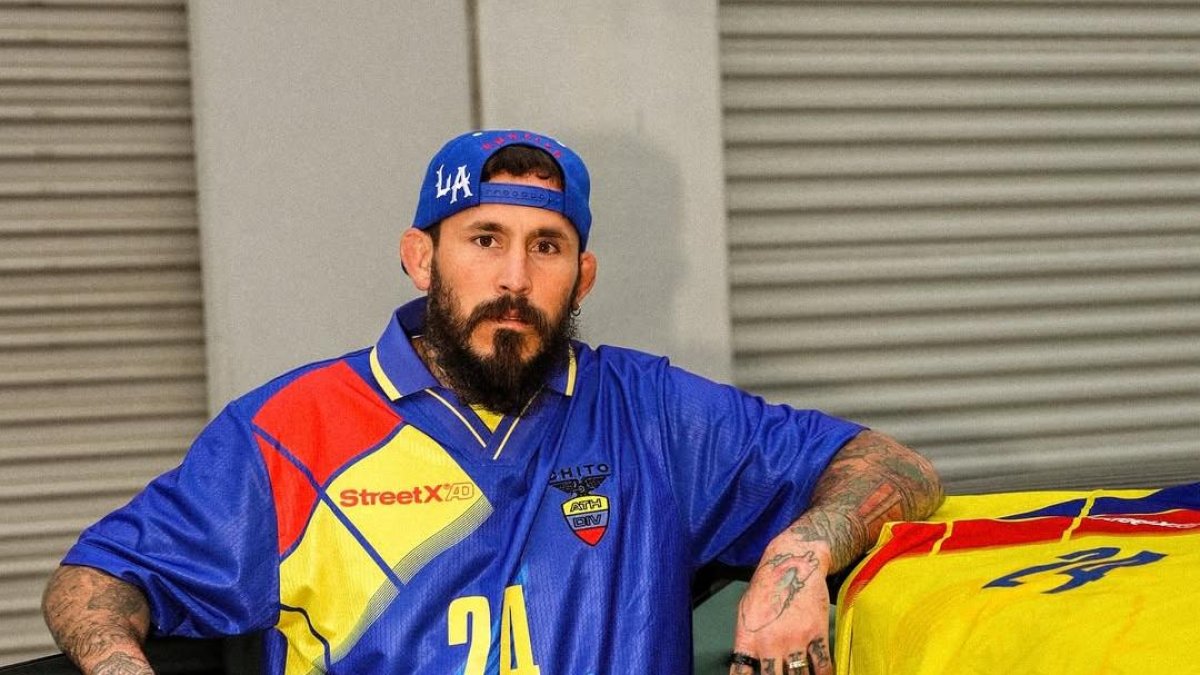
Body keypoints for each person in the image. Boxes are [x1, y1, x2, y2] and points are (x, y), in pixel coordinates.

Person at [42, 128, 942, 675]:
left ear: (581, 274)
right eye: (484, 238)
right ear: (421, 258)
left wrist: (799, 556)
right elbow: (93, 580)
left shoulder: (653, 412)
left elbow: (894, 465)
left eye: (546, 247)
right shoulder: (291, 431)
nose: (514, 278)